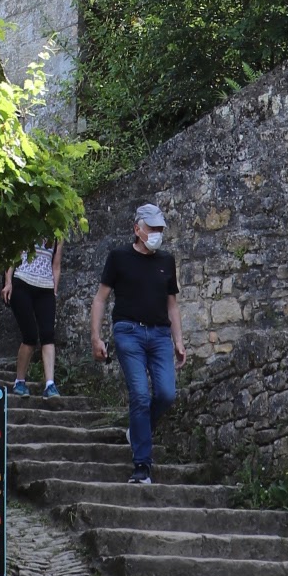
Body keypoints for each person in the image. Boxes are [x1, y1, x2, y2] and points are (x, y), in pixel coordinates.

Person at [90, 202, 186, 485]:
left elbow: (172, 305)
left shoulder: (167, 261)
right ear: (137, 229)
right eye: (152, 228)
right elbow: (100, 299)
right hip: (128, 332)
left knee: (166, 394)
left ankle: (137, 430)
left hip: (159, 335)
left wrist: (179, 341)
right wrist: (96, 337)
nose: (157, 234)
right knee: (141, 396)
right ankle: (142, 465)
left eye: (160, 229)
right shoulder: (119, 258)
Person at [3, 238, 63, 398]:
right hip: (22, 281)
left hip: (46, 287)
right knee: (29, 335)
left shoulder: (58, 233)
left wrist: (54, 290)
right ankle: (20, 381)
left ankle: (50, 384)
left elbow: (56, 265)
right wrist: (8, 282)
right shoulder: (29, 225)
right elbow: (13, 256)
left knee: (48, 334)